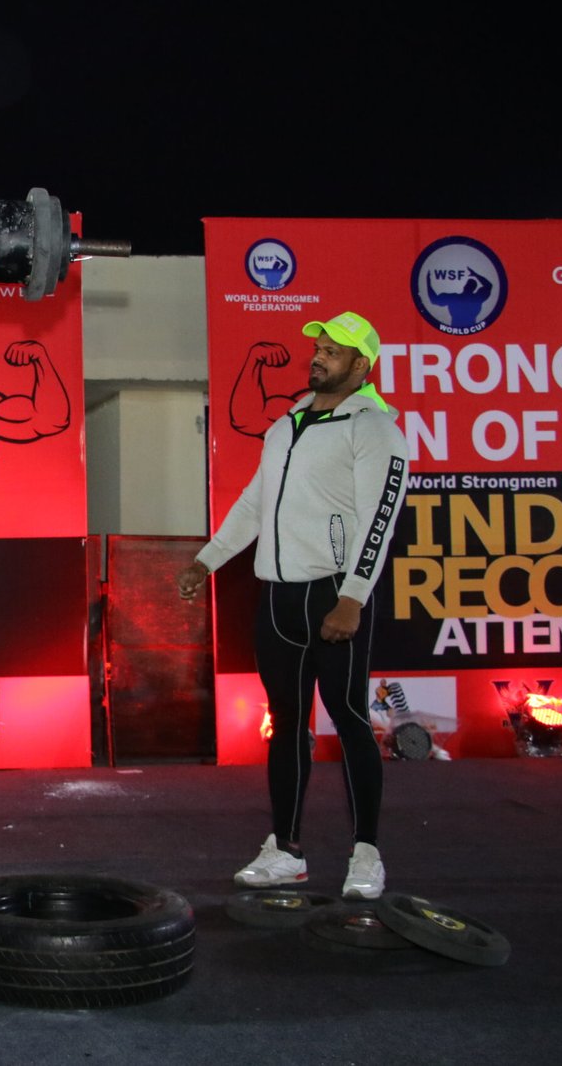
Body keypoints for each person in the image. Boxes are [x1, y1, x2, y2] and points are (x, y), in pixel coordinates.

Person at [175, 311, 408, 900]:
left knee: (351, 720)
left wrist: (353, 597)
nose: (319, 356)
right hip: (278, 597)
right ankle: (285, 849)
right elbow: (255, 501)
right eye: (319, 348)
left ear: (361, 365)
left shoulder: (375, 428)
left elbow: (380, 519)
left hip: (334, 594)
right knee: (286, 725)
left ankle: (366, 854)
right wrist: (208, 560)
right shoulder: (289, 422)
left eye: (334, 351)